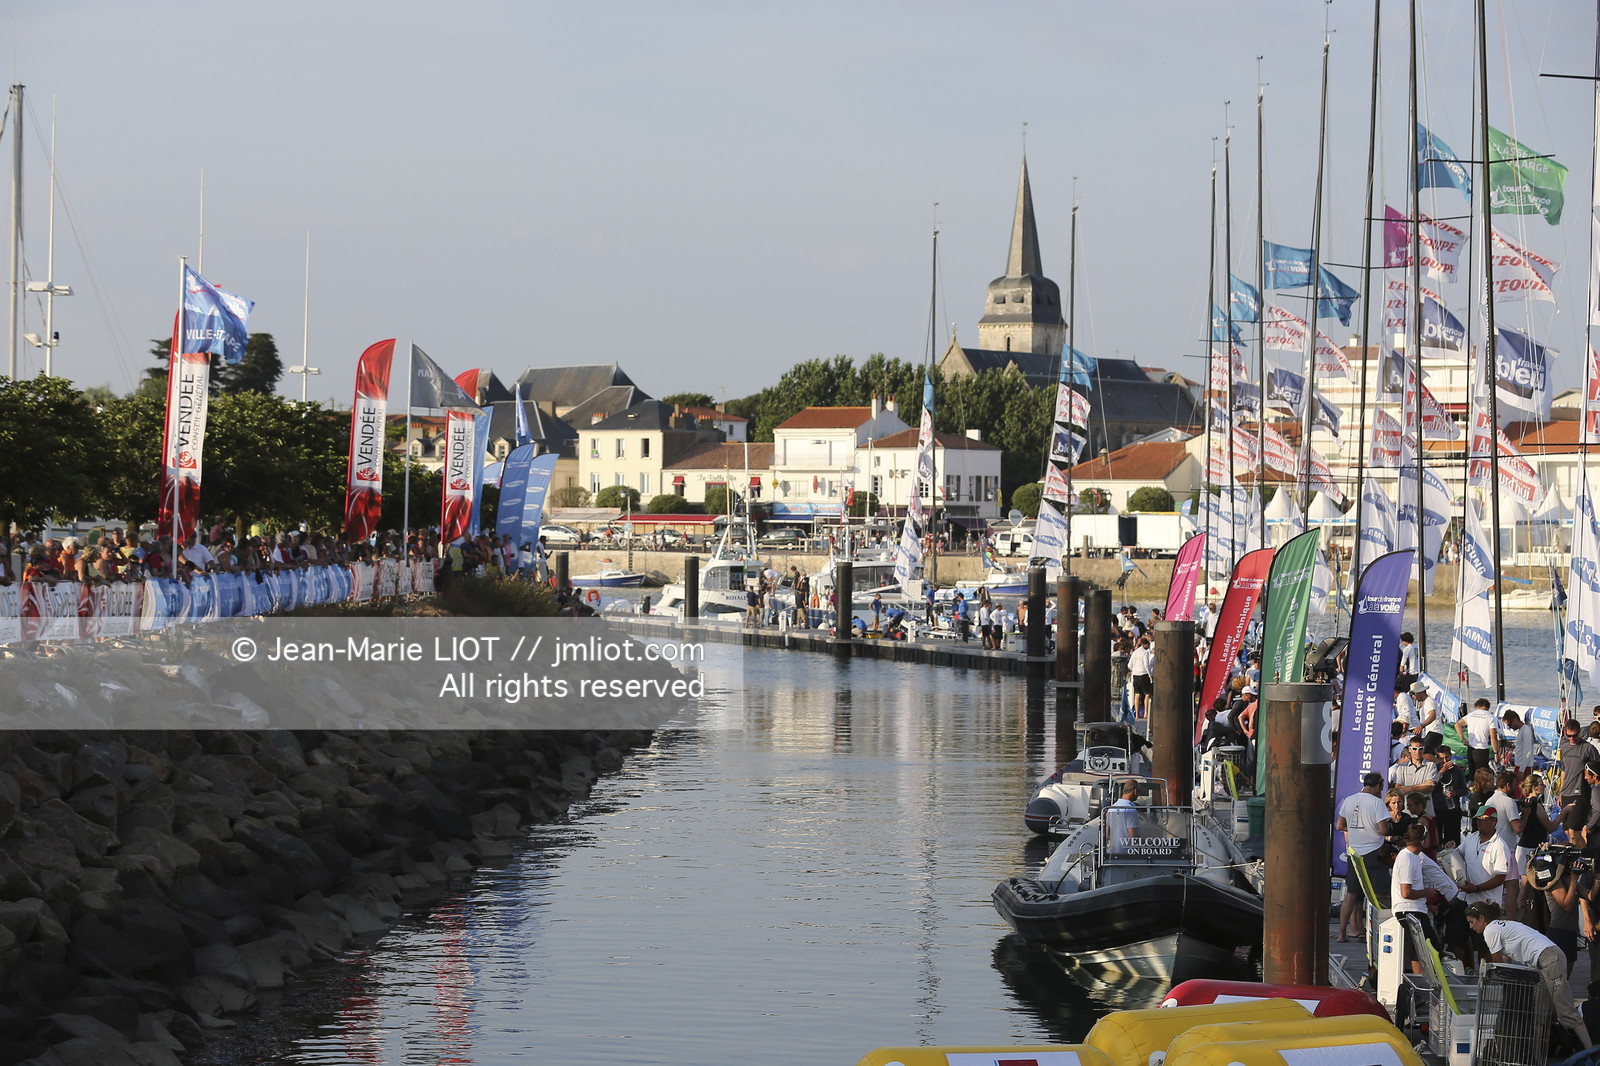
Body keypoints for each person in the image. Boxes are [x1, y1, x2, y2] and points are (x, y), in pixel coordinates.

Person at [1467, 900, 1592, 1050]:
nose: (1471, 927)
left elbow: (1498, 964)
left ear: (1482, 918)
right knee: (1539, 1013)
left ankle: (1591, 1051)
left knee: (1565, 1011)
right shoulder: (1502, 925)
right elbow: (1506, 962)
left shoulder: (1489, 930)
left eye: (1472, 922)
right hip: (1543, 961)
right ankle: (1537, 1055)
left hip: (1549, 958)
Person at [1336, 772, 1394, 942]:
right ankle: (1378, 933)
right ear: (1378, 785)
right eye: (1381, 788)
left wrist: (1356, 829)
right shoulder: (1377, 803)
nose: (1381, 792)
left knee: (1351, 894)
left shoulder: (1349, 800)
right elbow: (1383, 830)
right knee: (1380, 894)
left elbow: (1340, 825)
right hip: (1373, 852)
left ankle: (1341, 934)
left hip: (1354, 854)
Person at [1486, 771, 1523, 919]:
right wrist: (1525, 814)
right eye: (1514, 784)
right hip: (1507, 849)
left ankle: (1492, 919)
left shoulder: (1490, 800)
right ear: (1508, 785)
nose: (1515, 787)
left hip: (1491, 848)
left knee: (1495, 888)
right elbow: (1518, 828)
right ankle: (1512, 922)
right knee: (1512, 888)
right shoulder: (1509, 801)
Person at [1390, 736, 1438, 817]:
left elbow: (1430, 787)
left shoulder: (1431, 765)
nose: (1417, 751)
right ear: (1409, 749)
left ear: (1424, 749)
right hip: (1407, 813)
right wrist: (1423, 784)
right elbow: (1399, 790)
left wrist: (1409, 789)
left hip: (1426, 813)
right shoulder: (1401, 767)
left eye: (1420, 749)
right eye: (1414, 749)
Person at [1455, 697, 1500, 775]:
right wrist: (1496, 753)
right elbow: (1493, 737)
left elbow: (1457, 724)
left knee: (1473, 774)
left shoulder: (1470, 715)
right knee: (1483, 775)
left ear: (1477, 706)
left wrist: (1463, 739)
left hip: (1471, 749)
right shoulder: (1491, 717)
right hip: (1482, 750)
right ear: (1488, 707)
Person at [1502, 709, 1537, 794]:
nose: (1510, 727)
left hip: (1524, 767)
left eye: (1509, 724)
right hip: (1520, 766)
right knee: (1517, 791)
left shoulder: (1526, 730)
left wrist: (1521, 770)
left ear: (1515, 720)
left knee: (1521, 792)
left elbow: (1528, 751)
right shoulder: (1521, 730)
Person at [1129, 636, 1155, 720]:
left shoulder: (1135, 652)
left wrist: (1134, 670)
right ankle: (1145, 713)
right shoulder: (1145, 652)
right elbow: (1146, 665)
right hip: (1143, 674)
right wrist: (1150, 675)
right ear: (1145, 645)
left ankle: (1137, 714)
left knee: (1137, 694)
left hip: (1135, 675)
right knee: (1147, 694)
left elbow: (1129, 665)